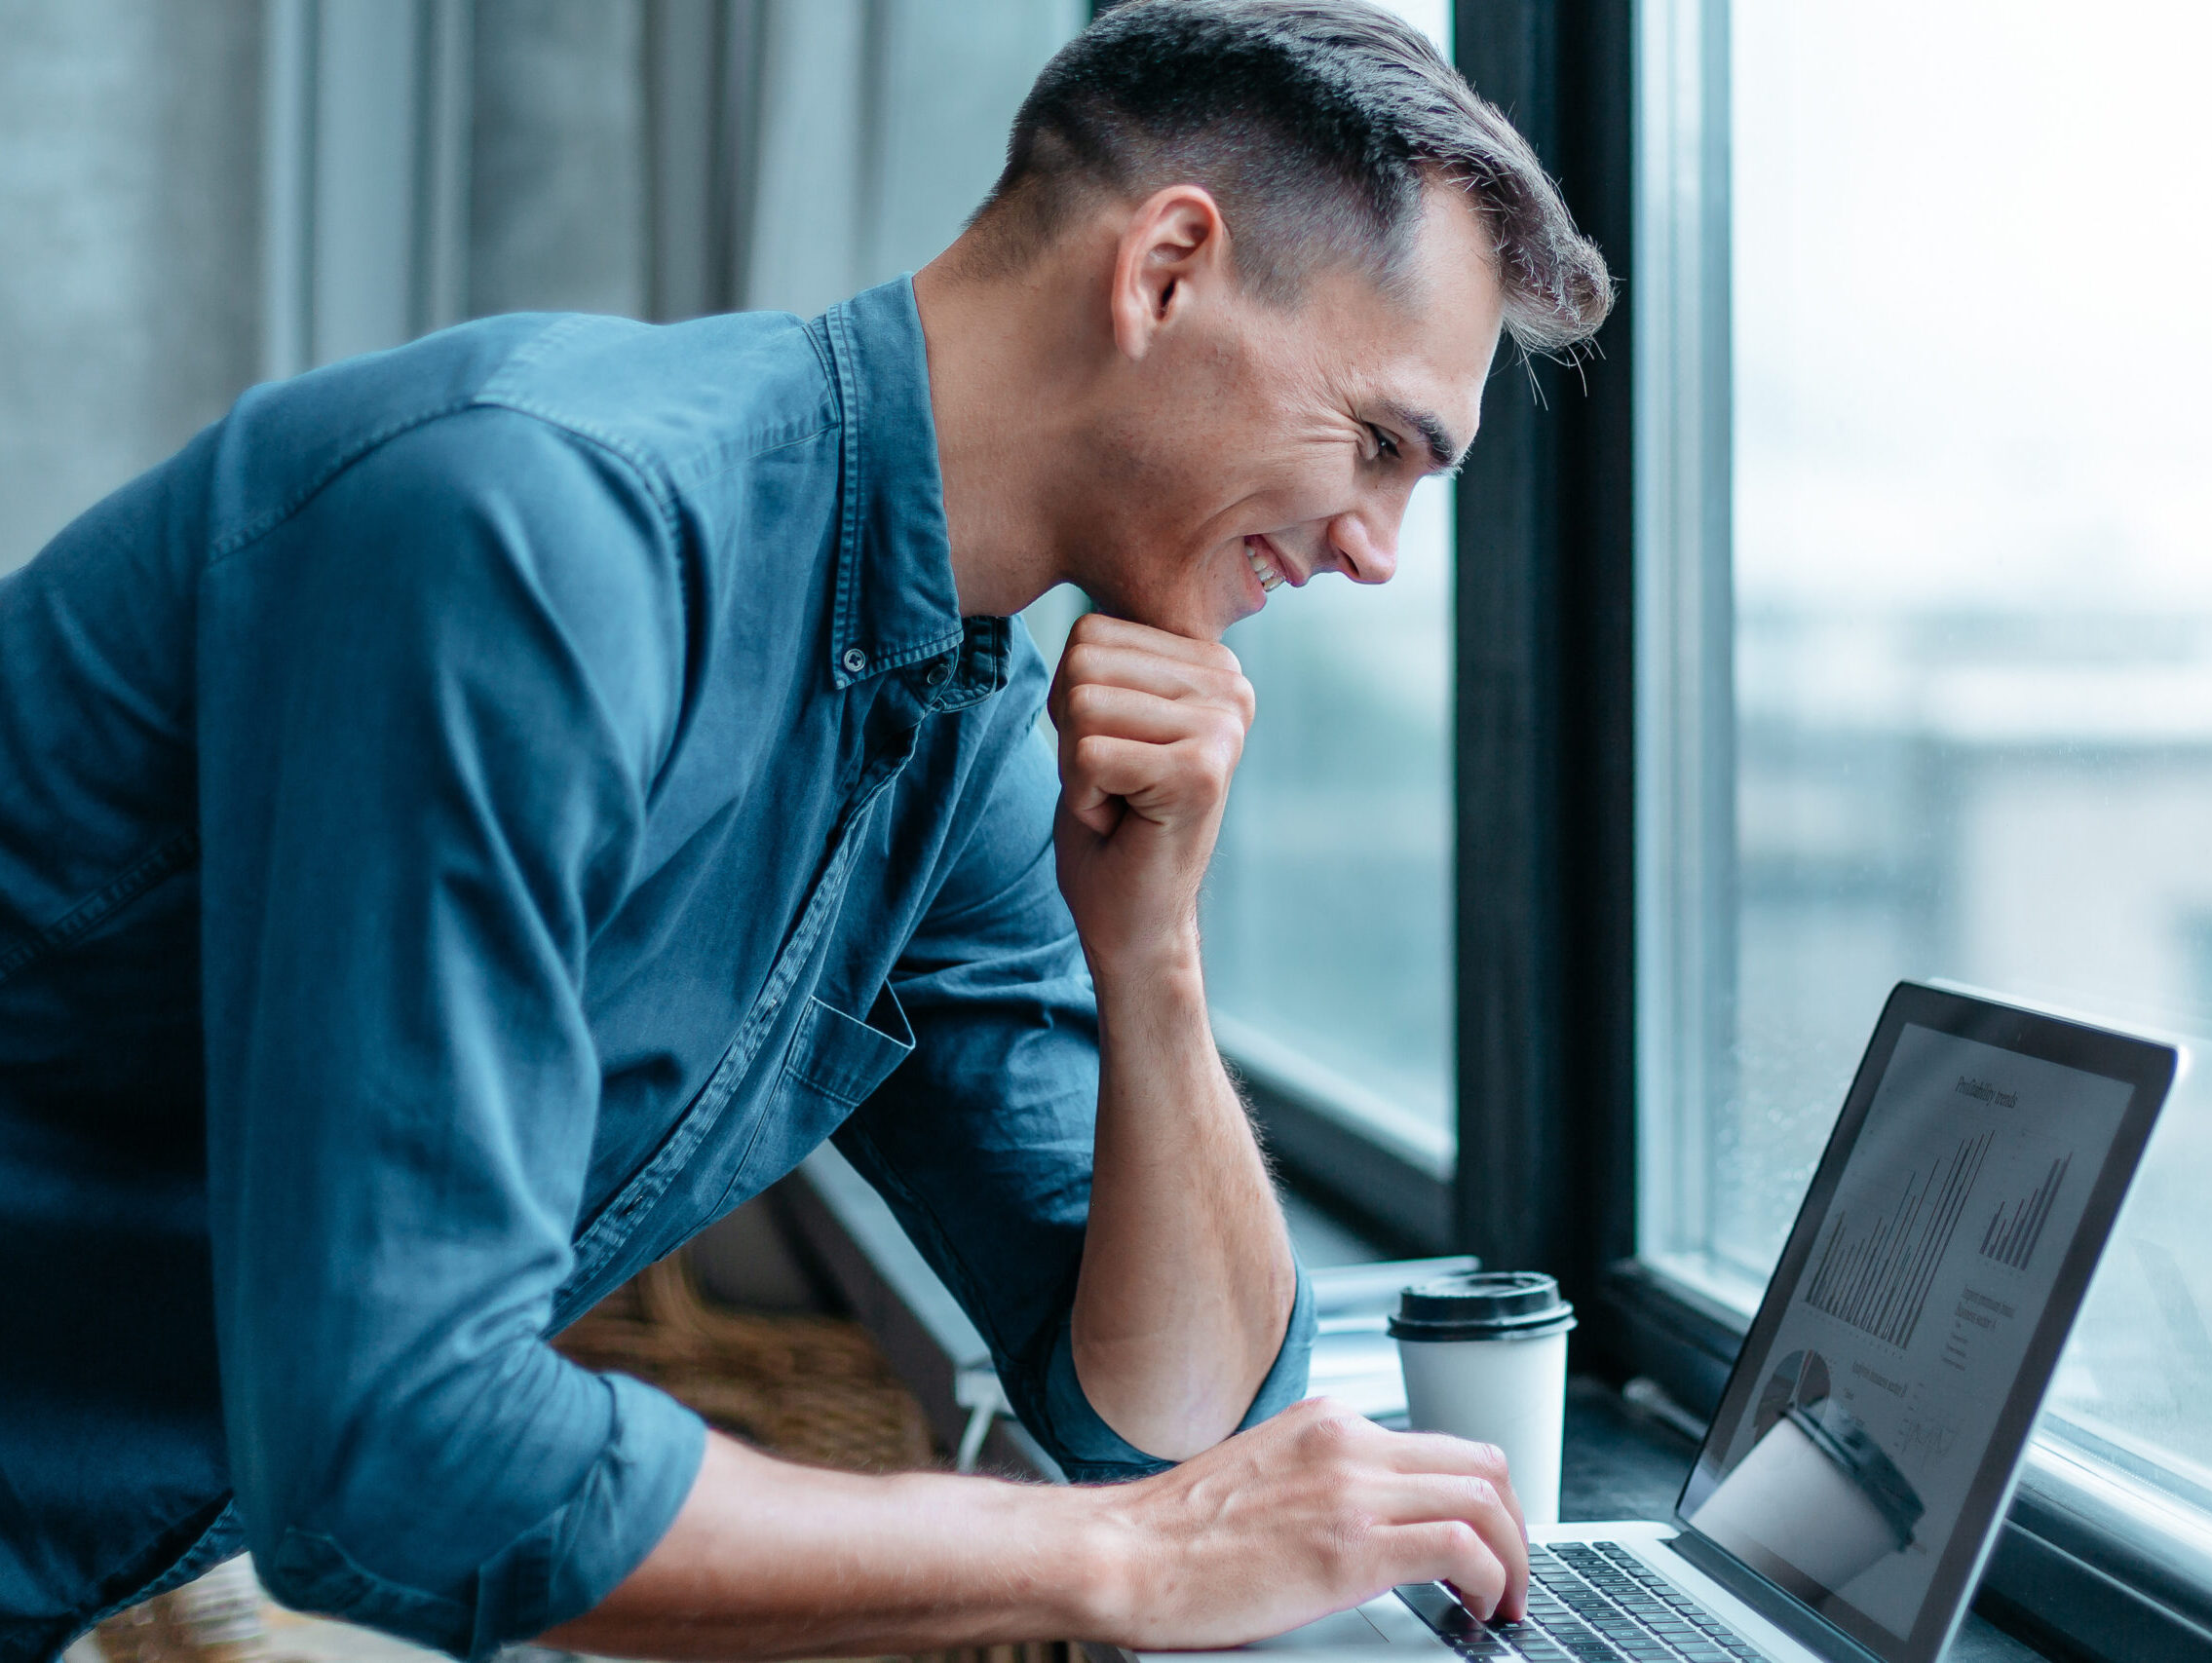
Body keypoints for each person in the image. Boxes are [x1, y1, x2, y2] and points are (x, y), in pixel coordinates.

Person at [0, 2, 1611, 1659]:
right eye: (1379, 444)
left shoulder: (957, 732)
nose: (1377, 551)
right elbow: (392, 1454)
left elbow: (1182, 1430)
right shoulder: (535, 533)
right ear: (1167, 269)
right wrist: (1112, 1561)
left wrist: (1151, 953)